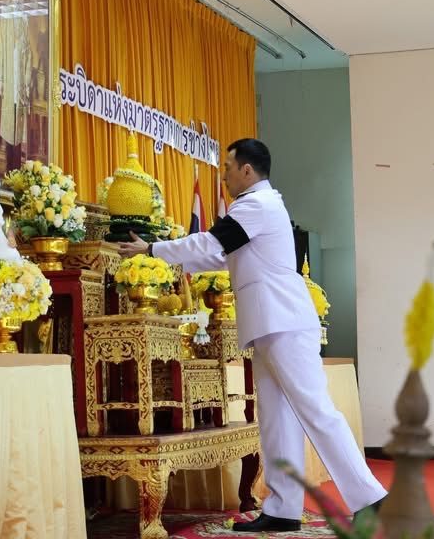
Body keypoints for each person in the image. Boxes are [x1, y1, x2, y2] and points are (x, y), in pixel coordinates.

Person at [118, 139, 386, 532]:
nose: (224, 175)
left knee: (315, 411)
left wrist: (154, 249)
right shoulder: (256, 208)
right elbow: (216, 256)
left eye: (228, 167)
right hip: (270, 324)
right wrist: (158, 252)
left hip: (284, 323)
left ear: (247, 170)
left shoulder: (257, 204)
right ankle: (283, 508)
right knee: (277, 419)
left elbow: (210, 242)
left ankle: (371, 497)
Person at [0, 0, 32, 170]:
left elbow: (28, 51)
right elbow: (2, 46)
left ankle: (16, 169)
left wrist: (27, 81)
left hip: (20, 76)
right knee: (9, 122)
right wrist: (1, 78)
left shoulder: (25, 17)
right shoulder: (5, 13)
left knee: (19, 125)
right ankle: (9, 169)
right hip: (9, 74)